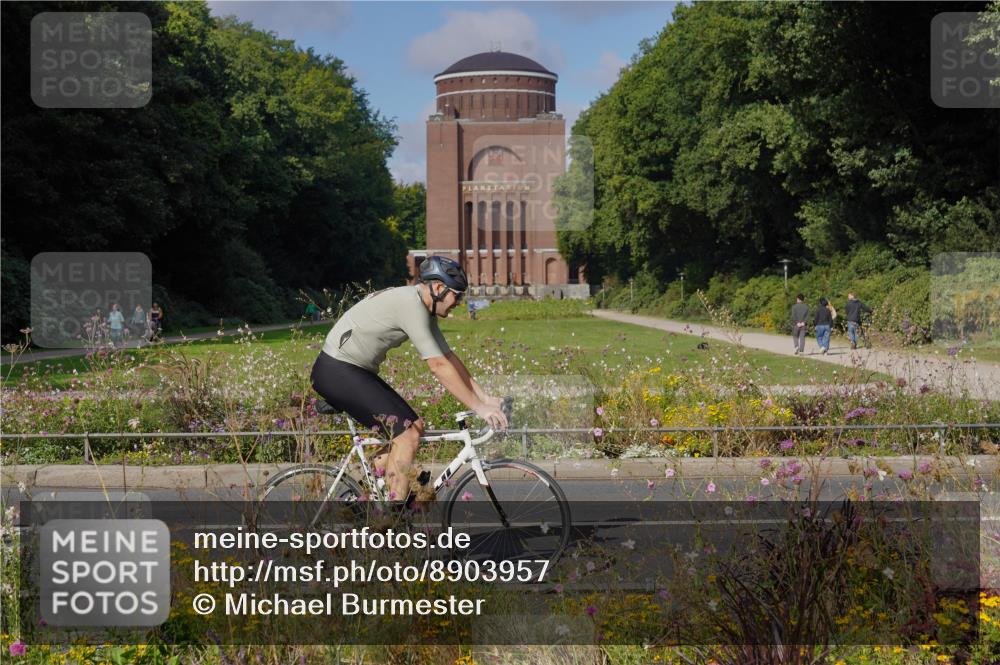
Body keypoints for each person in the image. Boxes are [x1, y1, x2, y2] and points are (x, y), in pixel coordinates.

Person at [310, 256, 508, 505]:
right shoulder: (411, 305)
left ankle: (368, 499)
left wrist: (484, 398)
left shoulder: (423, 306)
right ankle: (391, 524)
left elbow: (448, 357)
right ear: (438, 289)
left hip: (352, 370)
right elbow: (437, 366)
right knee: (407, 437)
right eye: (456, 296)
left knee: (414, 427)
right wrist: (478, 408)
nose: (458, 302)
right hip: (338, 370)